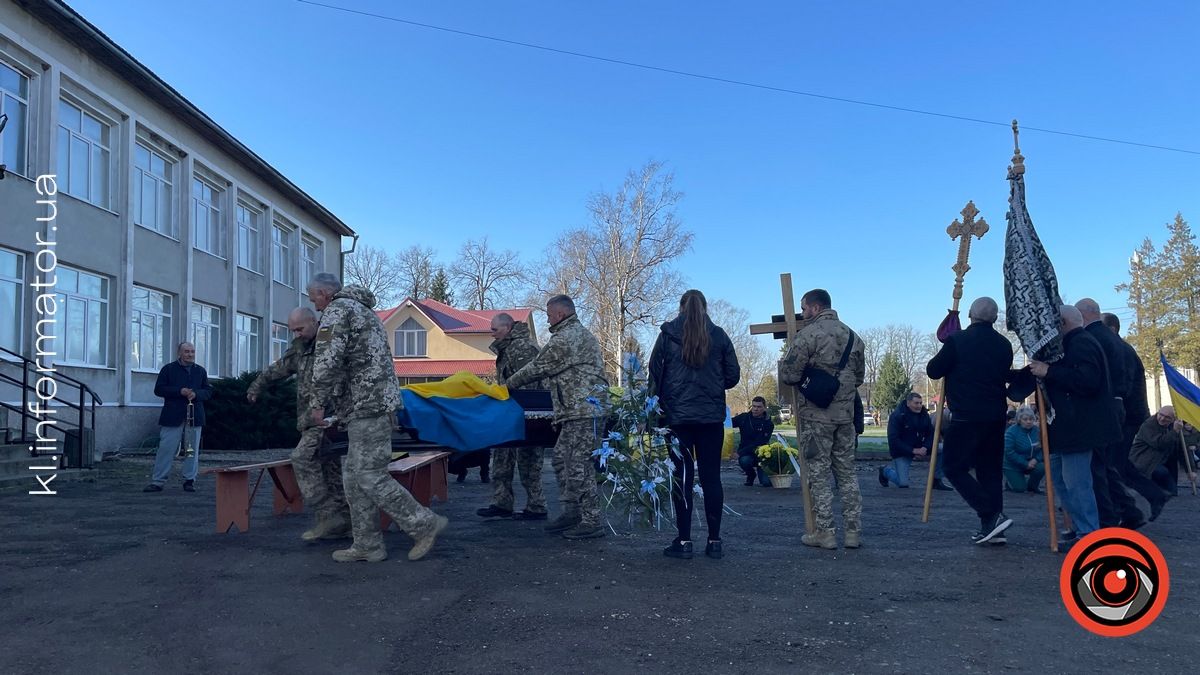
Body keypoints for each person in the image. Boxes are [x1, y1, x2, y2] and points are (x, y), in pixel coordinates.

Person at [307, 273, 447, 563]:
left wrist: (317, 403)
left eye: (314, 300)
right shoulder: (364, 312)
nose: (316, 308)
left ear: (323, 293)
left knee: (369, 475)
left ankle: (423, 523)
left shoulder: (338, 310)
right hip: (369, 406)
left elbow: (327, 360)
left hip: (367, 406)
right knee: (353, 478)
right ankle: (367, 544)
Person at [506, 294, 608, 540]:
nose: (548, 318)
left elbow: (538, 367)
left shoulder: (566, 338)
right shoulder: (571, 335)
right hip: (575, 412)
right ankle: (572, 512)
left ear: (561, 314)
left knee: (579, 465)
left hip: (584, 412)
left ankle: (591, 519)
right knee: (562, 460)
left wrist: (506, 386)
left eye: (550, 314)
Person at [649, 290, 741, 560]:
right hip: (711, 417)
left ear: (680, 307)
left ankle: (685, 540)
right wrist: (713, 384)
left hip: (677, 419)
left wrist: (653, 412)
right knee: (712, 478)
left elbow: (655, 374)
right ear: (705, 307)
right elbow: (733, 375)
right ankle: (714, 541)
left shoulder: (667, 335)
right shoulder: (719, 335)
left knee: (683, 478)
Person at [246, 307, 350, 541]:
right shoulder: (300, 348)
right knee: (329, 470)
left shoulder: (332, 341)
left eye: (300, 329)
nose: (296, 334)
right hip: (310, 419)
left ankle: (328, 516)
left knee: (301, 458)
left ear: (314, 322)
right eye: (292, 331)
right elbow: (279, 368)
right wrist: (256, 386)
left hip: (329, 418)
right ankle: (345, 523)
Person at [778, 289, 865, 550]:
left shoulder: (807, 336)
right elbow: (859, 378)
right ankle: (853, 533)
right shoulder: (854, 337)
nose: (802, 314)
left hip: (816, 416)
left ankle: (825, 532)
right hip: (845, 416)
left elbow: (790, 374)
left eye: (804, 309)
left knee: (819, 473)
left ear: (815, 308)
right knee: (847, 473)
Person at [925, 297, 1015, 545]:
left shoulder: (958, 341)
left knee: (954, 467)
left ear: (970, 316)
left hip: (966, 415)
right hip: (996, 415)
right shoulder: (1004, 344)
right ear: (995, 318)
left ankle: (990, 515)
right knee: (990, 471)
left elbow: (934, 370)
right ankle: (993, 528)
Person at [1027, 305, 1119, 546]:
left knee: (1077, 483)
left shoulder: (1082, 343)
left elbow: (1088, 381)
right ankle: (1081, 527)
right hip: (1066, 427)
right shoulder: (1075, 343)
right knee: (1061, 480)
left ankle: (1089, 534)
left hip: (1079, 427)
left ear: (1062, 323)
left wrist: (1049, 371)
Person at [1075, 299, 1145, 529]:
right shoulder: (1115, 341)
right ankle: (1127, 508)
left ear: (1084, 315)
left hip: (1100, 409)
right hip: (1117, 408)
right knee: (1106, 464)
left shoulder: (1092, 340)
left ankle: (1108, 516)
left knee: (1098, 466)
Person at [477, 312, 548, 520]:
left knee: (528, 461)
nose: (492, 334)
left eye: (495, 330)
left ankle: (536, 506)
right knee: (501, 457)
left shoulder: (523, 348)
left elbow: (528, 386)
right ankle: (502, 503)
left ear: (507, 328)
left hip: (527, 416)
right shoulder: (508, 348)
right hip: (508, 413)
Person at [1100, 311, 1167, 520]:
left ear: (1111, 329)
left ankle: (1127, 507)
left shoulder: (1121, 350)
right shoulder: (1124, 349)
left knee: (1114, 463)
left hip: (1127, 415)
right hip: (1129, 413)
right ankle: (1152, 496)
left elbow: (1124, 384)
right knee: (1118, 462)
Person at [143, 342, 211, 493]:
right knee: (166, 449)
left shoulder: (200, 371)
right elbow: (159, 390)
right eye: (186, 351)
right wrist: (179, 391)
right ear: (179, 353)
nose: (190, 354)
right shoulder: (168, 369)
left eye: (192, 351)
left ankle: (189, 480)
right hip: (172, 416)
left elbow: (207, 391)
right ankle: (158, 481)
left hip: (194, 416)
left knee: (191, 450)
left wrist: (197, 394)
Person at [880, 392, 951, 490]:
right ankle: (885, 471)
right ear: (908, 403)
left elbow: (931, 434)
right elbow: (894, 440)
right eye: (916, 403)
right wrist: (912, 450)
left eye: (920, 403)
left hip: (921, 447)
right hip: (902, 451)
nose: (919, 406)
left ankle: (936, 479)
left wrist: (925, 447)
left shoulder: (924, 415)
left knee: (944, 448)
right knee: (903, 483)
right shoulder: (897, 416)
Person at [1130, 406, 1198, 502]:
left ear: (1173, 419)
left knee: (1173, 492)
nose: (1162, 418)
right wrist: (1175, 431)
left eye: (1167, 417)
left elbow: (1183, 449)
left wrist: (1191, 470)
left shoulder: (1176, 426)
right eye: (1160, 415)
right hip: (1145, 461)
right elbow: (1159, 443)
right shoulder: (1149, 424)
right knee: (1162, 473)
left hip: (1164, 460)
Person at [732, 396, 774, 487]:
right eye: (754, 406)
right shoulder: (743, 418)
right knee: (744, 461)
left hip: (762, 454)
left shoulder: (768, 423)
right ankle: (751, 475)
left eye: (759, 407)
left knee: (766, 483)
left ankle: (764, 471)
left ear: (764, 407)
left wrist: (739, 453)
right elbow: (728, 424)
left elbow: (759, 442)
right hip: (746, 454)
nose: (755, 409)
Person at [1002, 407, 1046, 493]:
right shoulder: (1011, 432)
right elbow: (1009, 452)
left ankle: (1032, 486)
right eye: (1025, 419)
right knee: (1020, 489)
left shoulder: (1037, 431)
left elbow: (1043, 448)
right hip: (1012, 464)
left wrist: (1036, 459)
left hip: (1031, 461)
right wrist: (1025, 463)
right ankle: (1011, 482)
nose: (1028, 422)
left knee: (1041, 467)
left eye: (1031, 419)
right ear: (1019, 420)